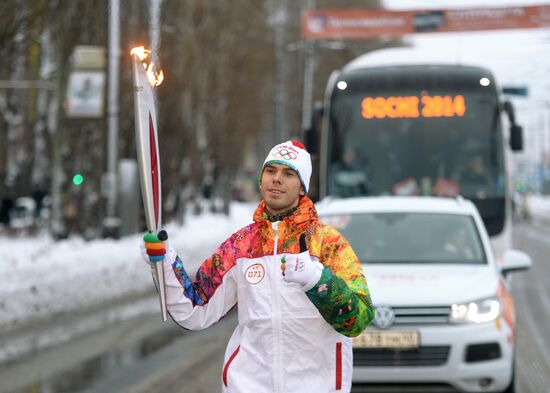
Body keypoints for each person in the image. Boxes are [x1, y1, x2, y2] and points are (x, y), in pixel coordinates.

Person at [140, 140, 374, 393]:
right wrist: (164, 262)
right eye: (271, 171)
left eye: (288, 174)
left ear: (302, 188)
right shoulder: (240, 246)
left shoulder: (327, 243)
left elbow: (358, 319)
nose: (277, 179)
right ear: (261, 179)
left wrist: (317, 281)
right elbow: (195, 309)